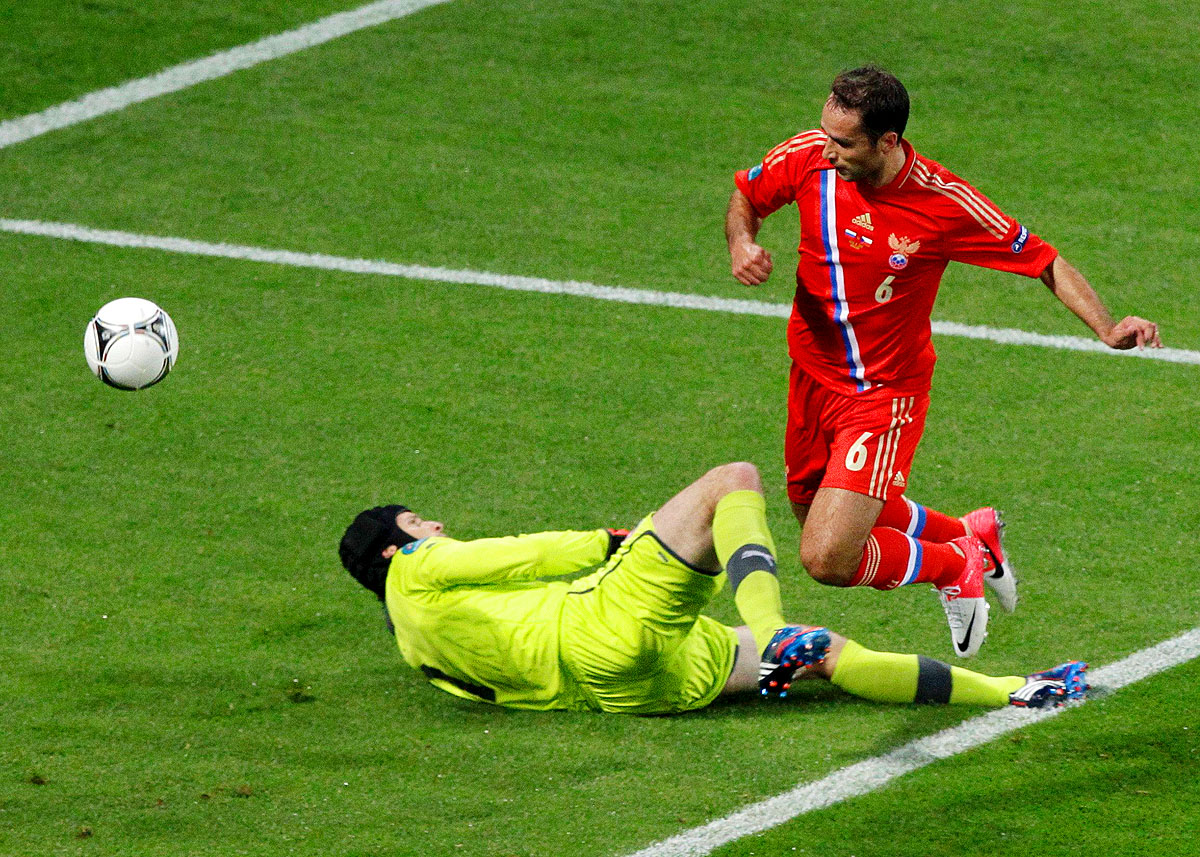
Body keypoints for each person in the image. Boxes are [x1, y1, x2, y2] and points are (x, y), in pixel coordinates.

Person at [724, 65, 1162, 658]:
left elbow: (1042, 259)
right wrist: (742, 244)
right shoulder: (810, 155)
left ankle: (953, 563)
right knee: (815, 515)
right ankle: (969, 534)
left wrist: (1108, 326)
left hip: (884, 394)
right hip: (810, 376)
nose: (826, 151)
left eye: (843, 142)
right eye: (825, 134)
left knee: (827, 558)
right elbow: (747, 196)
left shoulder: (943, 202)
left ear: (888, 142)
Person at [338, 462, 1087, 715]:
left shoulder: (413, 645)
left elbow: (489, 693)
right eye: (417, 521)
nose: (434, 524)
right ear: (392, 546)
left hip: (630, 689)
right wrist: (604, 543)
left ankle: (1015, 692)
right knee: (734, 482)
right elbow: (514, 557)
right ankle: (772, 618)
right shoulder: (419, 567)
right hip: (603, 620)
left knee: (827, 654)